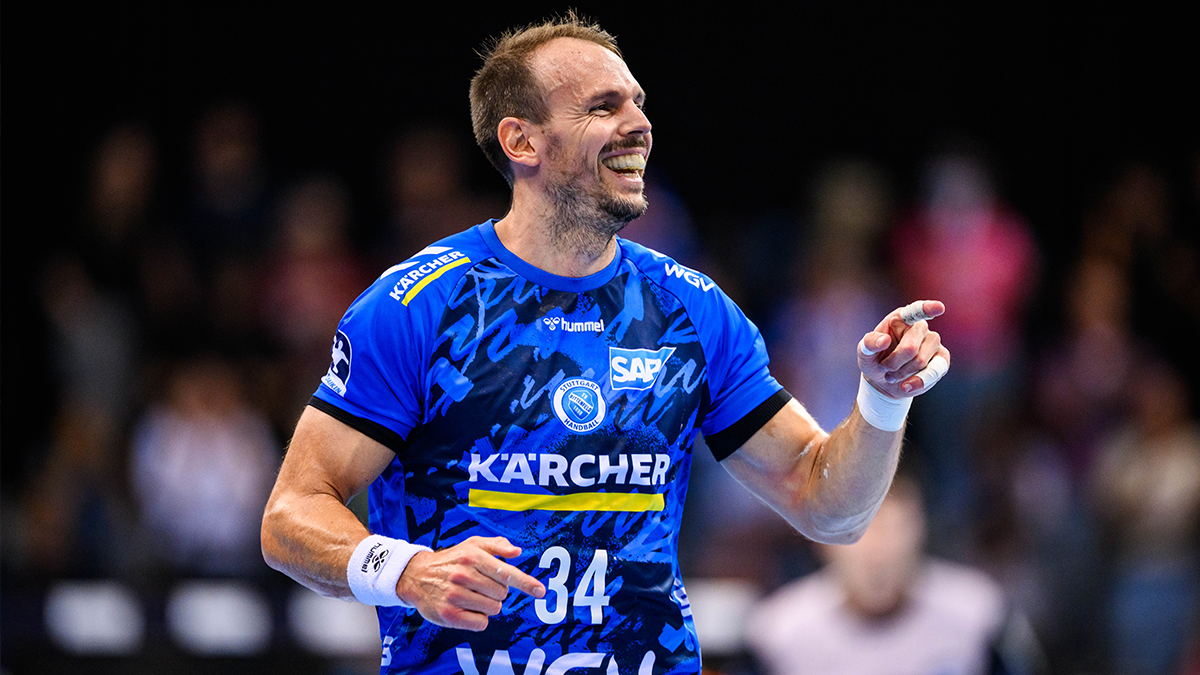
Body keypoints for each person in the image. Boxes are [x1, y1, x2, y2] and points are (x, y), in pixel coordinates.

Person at [261, 13, 950, 674]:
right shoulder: (418, 306)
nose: (640, 124)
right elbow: (290, 516)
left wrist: (883, 398)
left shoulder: (692, 311)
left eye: (639, 103)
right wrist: (405, 570)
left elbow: (830, 508)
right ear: (521, 141)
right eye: (603, 106)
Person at [744, 476, 1045, 675]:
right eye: (860, 532)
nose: (878, 550)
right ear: (822, 540)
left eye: (892, 529)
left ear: (919, 532)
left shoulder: (979, 616)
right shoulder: (777, 634)